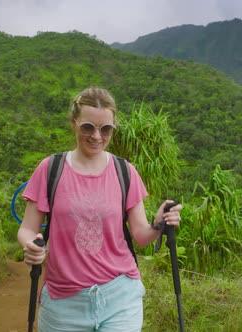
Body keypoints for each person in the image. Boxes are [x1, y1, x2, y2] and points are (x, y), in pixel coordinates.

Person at [18, 87, 182, 332]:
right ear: (74, 123)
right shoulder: (50, 168)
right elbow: (27, 229)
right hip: (64, 302)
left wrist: (158, 225)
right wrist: (30, 246)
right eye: (88, 127)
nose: (96, 136)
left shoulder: (125, 171)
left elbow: (140, 237)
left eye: (105, 129)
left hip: (119, 296)